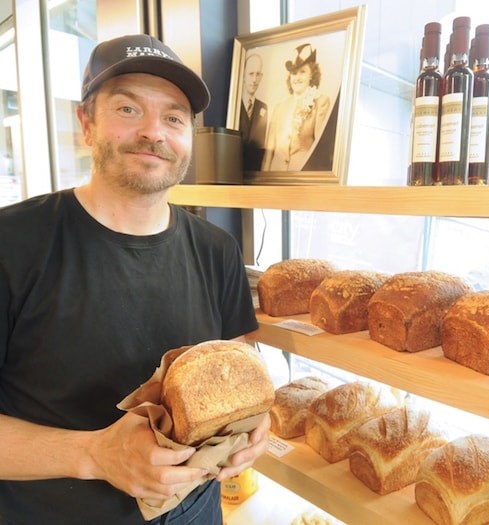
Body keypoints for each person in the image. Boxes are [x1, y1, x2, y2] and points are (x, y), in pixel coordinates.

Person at [0, 34, 269, 525]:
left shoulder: (218, 251)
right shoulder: (12, 243)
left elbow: (239, 373)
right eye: (127, 109)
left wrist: (252, 428)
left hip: (198, 514)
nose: (154, 132)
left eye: (173, 117)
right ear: (86, 123)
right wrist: (93, 455)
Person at [262, 43, 332, 171]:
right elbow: (268, 156)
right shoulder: (279, 108)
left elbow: (321, 151)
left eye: (302, 72)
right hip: (275, 180)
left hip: (301, 180)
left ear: (312, 74)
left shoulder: (321, 102)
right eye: (294, 73)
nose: (297, 78)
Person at [239, 53, 268, 171]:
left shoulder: (263, 107)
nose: (254, 80)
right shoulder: (235, 107)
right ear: (244, 76)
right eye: (251, 74)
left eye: (258, 74)